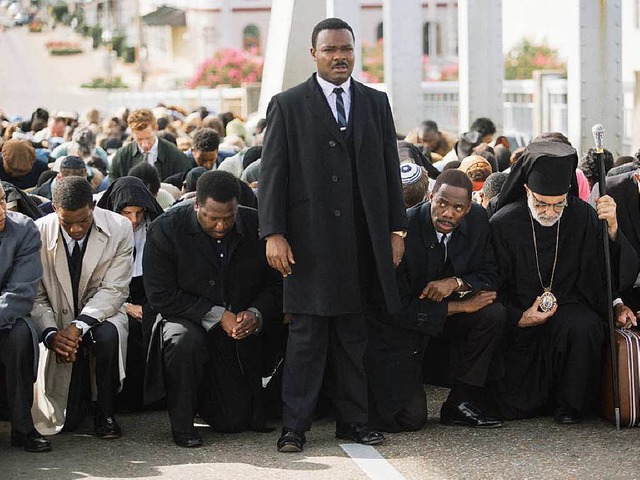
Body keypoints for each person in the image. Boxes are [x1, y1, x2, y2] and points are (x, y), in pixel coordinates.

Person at [259, 17, 407, 453]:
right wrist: (273, 233)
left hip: (362, 241)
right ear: (314, 54)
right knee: (306, 338)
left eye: (346, 49)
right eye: (330, 50)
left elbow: (388, 172)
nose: (339, 56)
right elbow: (273, 176)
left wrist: (396, 229)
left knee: (354, 336)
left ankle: (354, 422)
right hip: (309, 243)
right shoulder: (287, 105)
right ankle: (294, 427)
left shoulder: (375, 102)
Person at [489, 140, 638, 423]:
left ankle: (571, 405)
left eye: (558, 204)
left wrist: (613, 229)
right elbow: (491, 285)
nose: (549, 212)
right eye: (542, 203)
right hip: (519, 310)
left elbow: (605, 273)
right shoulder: (503, 224)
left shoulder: (581, 216)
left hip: (568, 303)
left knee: (586, 327)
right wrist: (520, 316)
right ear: (526, 190)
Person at [143, 170, 282, 448]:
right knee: (183, 341)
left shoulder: (257, 225)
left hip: (238, 330)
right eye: (212, 218)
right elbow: (161, 295)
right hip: (185, 317)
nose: (221, 225)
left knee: (233, 422)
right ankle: (182, 424)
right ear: (197, 205)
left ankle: (209, 398)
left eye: (228, 218)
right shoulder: (165, 228)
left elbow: (277, 285)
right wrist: (218, 315)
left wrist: (256, 314)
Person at [367, 170, 505, 432]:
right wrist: (459, 306)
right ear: (431, 196)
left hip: (444, 324)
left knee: (493, 314)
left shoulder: (478, 220)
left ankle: (461, 402)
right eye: (441, 203)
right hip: (402, 331)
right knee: (408, 419)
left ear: (469, 207)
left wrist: (454, 283)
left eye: (457, 207)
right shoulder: (404, 231)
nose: (448, 213)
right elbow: (394, 308)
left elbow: (490, 275)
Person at [30, 177, 134, 438]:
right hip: (55, 319)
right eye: (67, 222)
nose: (76, 229)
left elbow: (115, 289)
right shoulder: (37, 231)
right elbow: (35, 296)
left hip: (102, 315)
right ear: (55, 209)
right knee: (69, 422)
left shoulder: (120, 227)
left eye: (83, 221)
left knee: (109, 335)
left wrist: (79, 325)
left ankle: (106, 412)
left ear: (93, 205)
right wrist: (52, 334)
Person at [97, 176, 164, 411]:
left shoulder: (155, 229)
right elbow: (94, 283)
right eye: (126, 213)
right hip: (112, 299)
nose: (134, 220)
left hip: (150, 297)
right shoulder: (102, 232)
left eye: (139, 213)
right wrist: (125, 306)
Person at [0, 183, 51, 452]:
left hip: (9, 314)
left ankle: (23, 428)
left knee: (21, 335)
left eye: (0, 202)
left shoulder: (24, 229)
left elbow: (20, 293)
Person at [109, 108, 191, 182]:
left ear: (156, 129)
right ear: (132, 133)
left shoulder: (175, 155)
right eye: (139, 139)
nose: (144, 145)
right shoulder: (121, 157)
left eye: (148, 138)